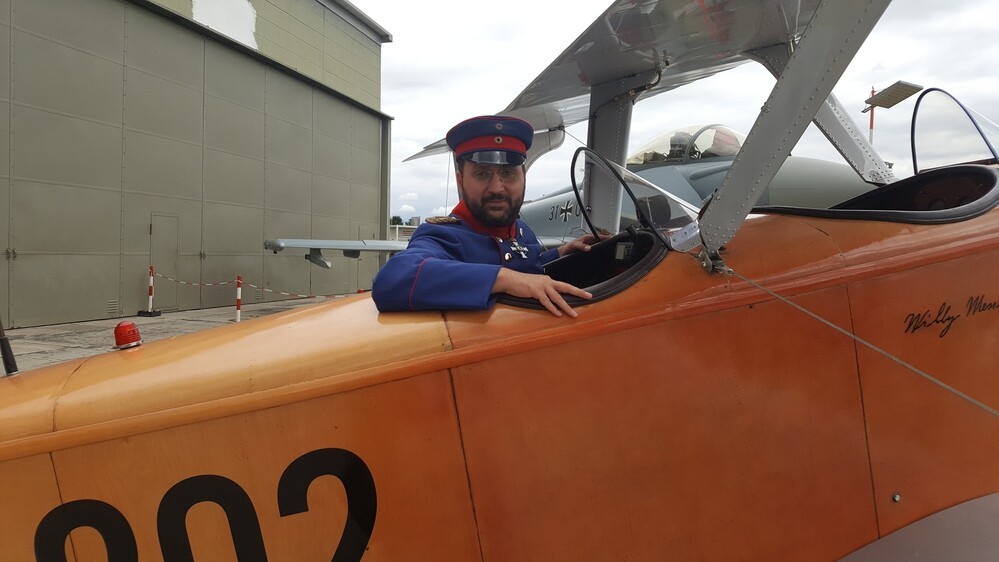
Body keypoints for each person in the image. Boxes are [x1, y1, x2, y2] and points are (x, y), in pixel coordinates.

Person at [372, 115, 598, 318]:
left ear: (523, 177)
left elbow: (527, 268)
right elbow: (393, 279)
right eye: (482, 174)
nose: (497, 188)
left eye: (508, 173)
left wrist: (561, 253)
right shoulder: (443, 235)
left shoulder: (521, 230)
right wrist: (505, 279)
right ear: (460, 181)